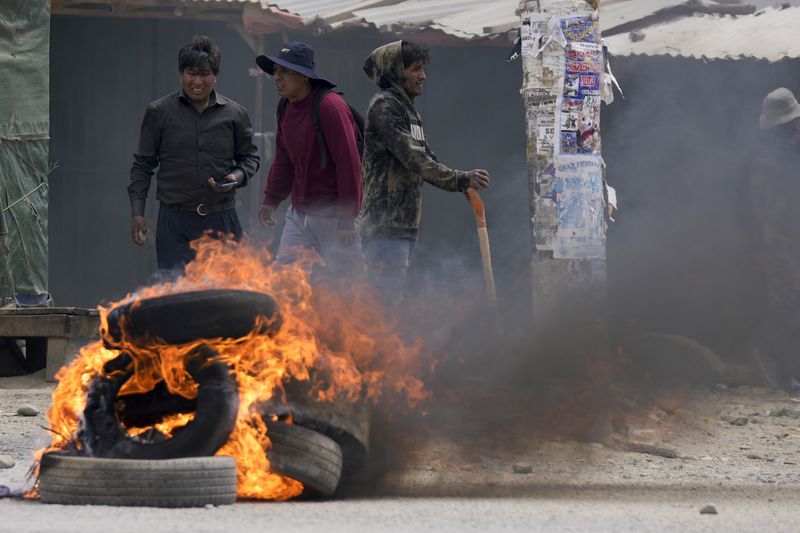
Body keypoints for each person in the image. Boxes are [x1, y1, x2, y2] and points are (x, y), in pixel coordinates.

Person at [359, 40, 491, 303]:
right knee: (383, 306)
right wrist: (458, 179)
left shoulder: (406, 108)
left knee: (391, 302)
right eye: (415, 69)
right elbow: (414, 158)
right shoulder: (385, 107)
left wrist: (461, 182)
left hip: (403, 226)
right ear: (396, 70)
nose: (423, 76)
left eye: (422, 69)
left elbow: (428, 155)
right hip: (384, 227)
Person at [128, 36, 259, 272]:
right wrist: (137, 213)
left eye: (205, 74)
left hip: (222, 220)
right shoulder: (159, 112)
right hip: (175, 222)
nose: (197, 81)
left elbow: (250, 158)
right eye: (191, 73)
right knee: (177, 292)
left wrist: (235, 178)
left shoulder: (235, 114)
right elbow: (143, 165)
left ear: (215, 75)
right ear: (181, 74)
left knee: (226, 292)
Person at [256, 42, 362, 276]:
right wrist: (271, 200)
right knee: (286, 282)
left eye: (285, 71)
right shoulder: (284, 107)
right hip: (299, 215)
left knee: (345, 289)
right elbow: (283, 157)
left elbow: (349, 164)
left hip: (335, 217)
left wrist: (347, 218)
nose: (277, 77)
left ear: (304, 76)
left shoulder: (330, 108)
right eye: (275, 71)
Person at [748, 87, 800, 390]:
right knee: (785, 306)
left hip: (784, 239)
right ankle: (782, 373)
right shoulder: (767, 162)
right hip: (780, 242)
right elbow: (768, 211)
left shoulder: (781, 152)